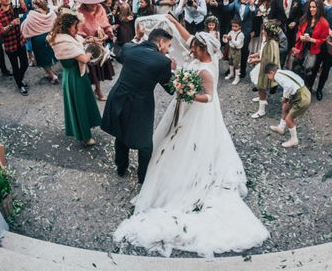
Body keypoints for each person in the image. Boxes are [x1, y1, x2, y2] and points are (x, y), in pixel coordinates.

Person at [114, 14, 269, 257]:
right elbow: (189, 38)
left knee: (190, 143)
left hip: (198, 110)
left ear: (203, 49)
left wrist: (185, 93)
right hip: (184, 105)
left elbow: (208, 97)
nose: (189, 50)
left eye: (194, 48)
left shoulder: (207, 70)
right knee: (171, 136)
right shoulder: (205, 54)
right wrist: (174, 22)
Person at [102, 25, 175, 184]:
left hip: (119, 96)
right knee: (145, 143)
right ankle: (143, 177)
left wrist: (137, 36)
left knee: (120, 134)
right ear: (161, 42)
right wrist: (173, 71)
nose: (168, 49)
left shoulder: (129, 48)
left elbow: (122, 54)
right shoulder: (163, 62)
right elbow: (170, 88)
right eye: (168, 45)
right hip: (140, 103)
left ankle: (121, 167)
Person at [48, 12, 101, 146]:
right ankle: (86, 137)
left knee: (83, 103)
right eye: (75, 27)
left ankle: (85, 131)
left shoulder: (66, 37)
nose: (77, 29)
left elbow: (79, 40)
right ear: (66, 27)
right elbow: (83, 58)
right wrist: (89, 51)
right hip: (74, 78)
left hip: (75, 75)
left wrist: (89, 40)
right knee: (80, 106)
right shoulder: (64, 42)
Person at [76, 0, 115, 101]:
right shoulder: (79, 13)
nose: (94, 5)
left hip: (101, 44)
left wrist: (106, 35)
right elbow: (77, 33)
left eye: (96, 2)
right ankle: (92, 92)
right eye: (90, 3)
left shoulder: (100, 8)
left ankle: (97, 90)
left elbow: (106, 25)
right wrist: (89, 39)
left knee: (98, 69)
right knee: (90, 70)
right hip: (88, 46)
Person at [266, 63, 311, 147]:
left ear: (271, 72)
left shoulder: (277, 76)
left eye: (268, 75)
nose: (268, 78)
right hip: (301, 91)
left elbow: (288, 86)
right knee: (285, 108)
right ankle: (281, 128)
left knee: (289, 119)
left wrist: (284, 98)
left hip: (301, 97)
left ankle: (294, 140)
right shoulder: (283, 72)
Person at [0, 0, 29, 95]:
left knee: (25, 63)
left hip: (20, 41)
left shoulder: (14, 8)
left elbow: (24, 8)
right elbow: (0, 32)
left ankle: (19, 78)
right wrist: (11, 24)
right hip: (10, 45)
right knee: (15, 66)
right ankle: (20, 85)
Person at [20, 0, 58, 84]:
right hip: (50, 37)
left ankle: (52, 76)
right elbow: (56, 22)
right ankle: (51, 73)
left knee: (42, 59)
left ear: (35, 4)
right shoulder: (50, 12)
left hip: (38, 39)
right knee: (49, 56)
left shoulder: (32, 14)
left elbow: (25, 26)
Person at [292, 0, 330, 89]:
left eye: (314, 7)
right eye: (310, 7)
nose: (311, 9)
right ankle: (292, 88)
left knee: (307, 72)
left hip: (312, 51)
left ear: (319, 8)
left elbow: (323, 40)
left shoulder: (324, 23)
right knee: (295, 68)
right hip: (301, 47)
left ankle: (302, 91)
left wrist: (311, 40)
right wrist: (300, 36)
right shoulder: (305, 18)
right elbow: (299, 30)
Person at [248, 20, 282, 118]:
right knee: (259, 85)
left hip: (266, 68)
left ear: (270, 32)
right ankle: (260, 98)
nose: (262, 31)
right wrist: (255, 54)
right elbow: (262, 51)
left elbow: (266, 59)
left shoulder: (271, 43)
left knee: (261, 86)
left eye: (264, 30)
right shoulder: (267, 40)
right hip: (263, 65)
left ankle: (261, 110)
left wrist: (254, 61)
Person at [223, 0, 256, 78]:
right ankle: (231, 69)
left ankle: (242, 70)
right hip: (235, 31)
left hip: (246, 31)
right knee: (233, 50)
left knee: (244, 51)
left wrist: (252, 6)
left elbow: (254, 15)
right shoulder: (236, 2)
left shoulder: (252, 4)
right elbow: (227, 9)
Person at [223, 18, 244, 85]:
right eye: (233, 26)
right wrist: (224, 38)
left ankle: (237, 77)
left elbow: (238, 44)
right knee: (231, 61)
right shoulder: (231, 32)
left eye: (236, 26)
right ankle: (231, 73)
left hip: (237, 51)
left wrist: (231, 39)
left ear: (240, 26)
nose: (234, 28)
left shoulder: (241, 34)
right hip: (231, 49)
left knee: (237, 64)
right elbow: (226, 41)